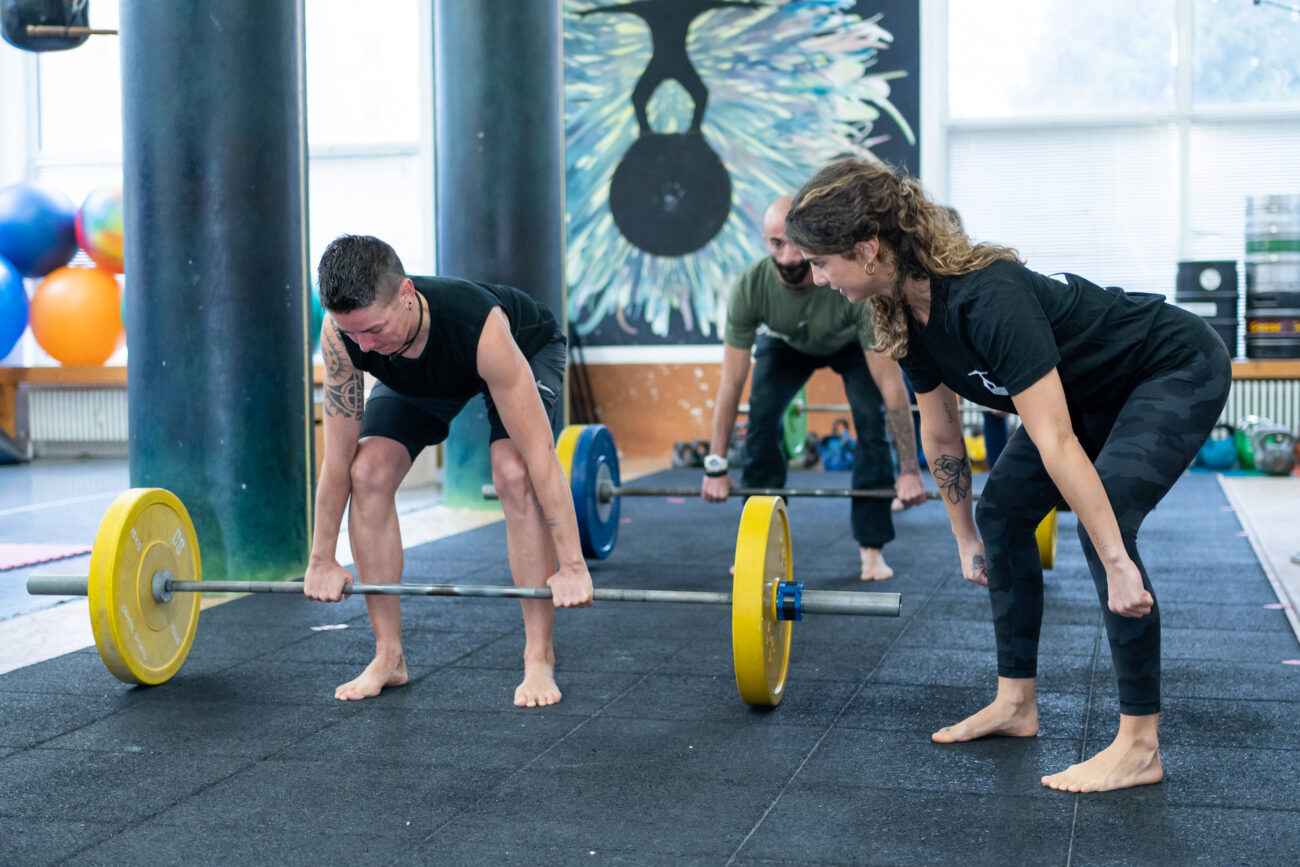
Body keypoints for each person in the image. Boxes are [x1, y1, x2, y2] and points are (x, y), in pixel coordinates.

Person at [785, 159, 1231, 793]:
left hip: (1170, 366)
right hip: (1089, 395)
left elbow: (1054, 437)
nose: (818, 275)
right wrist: (967, 536)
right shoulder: (900, 315)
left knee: (1107, 526)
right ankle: (1017, 703)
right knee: (1001, 513)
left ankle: (1139, 745)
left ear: (867, 248)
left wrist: (1116, 562)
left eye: (823, 261)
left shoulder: (987, 296)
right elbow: (940, 431)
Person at [305, 235, 594, 706]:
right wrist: (321, 558)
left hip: (520, 350)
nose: (365, 346)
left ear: (407, 294)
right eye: (353, 334)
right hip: (422, 378)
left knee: (514, 473)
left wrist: (573, 566)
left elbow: (542, 456)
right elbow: (336, 461)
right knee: (368, 472)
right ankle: (388, 656)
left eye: (373, 330)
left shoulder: (478, 325)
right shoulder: (343, 336)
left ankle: (539, 658)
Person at [701, 195, 927, 581]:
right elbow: (730, 383)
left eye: (795, 243)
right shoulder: (751, 287)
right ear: (765, 241)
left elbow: (892, 388)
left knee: (871, 420)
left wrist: (908, 470)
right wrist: (717, 464)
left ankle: (871, 550)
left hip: (849, 345)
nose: (788, 257)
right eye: (776, 244)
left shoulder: (848, 283)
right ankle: (761, 542)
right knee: (762, 414)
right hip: (787, 344)